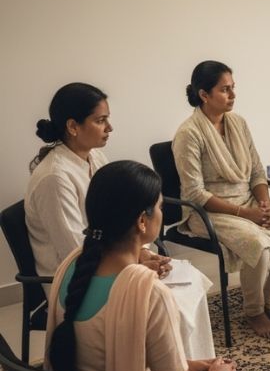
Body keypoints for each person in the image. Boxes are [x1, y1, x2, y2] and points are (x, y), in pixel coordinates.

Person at [44, 160, 270, 371]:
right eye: (159, 207)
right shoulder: (148, 291)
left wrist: (190, 365)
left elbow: (116, 354)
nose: (161, 213)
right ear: (142, 221)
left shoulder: (71, 267)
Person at [173, 60, 270, 339]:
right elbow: (195, 193)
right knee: (256, 243)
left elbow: (257, 172)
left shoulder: (238, 123)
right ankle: (254, 310)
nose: (233, 95)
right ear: (203, 94)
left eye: (233, 88)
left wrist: (264, 203)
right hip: (207, 212)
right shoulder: (188, 134)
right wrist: (247, 215)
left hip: (247, 202)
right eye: (225, 90)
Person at [25, 82, 170, 278]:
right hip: (74, 278)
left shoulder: (95, 157)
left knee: (172, 286)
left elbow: (121, 213)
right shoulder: (54, 178)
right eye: (100, 120)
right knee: (159, 297)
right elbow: (75, 249)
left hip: (108, 259)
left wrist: (142, 253)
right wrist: (133, 263)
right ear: (73, 126)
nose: (109, 127)